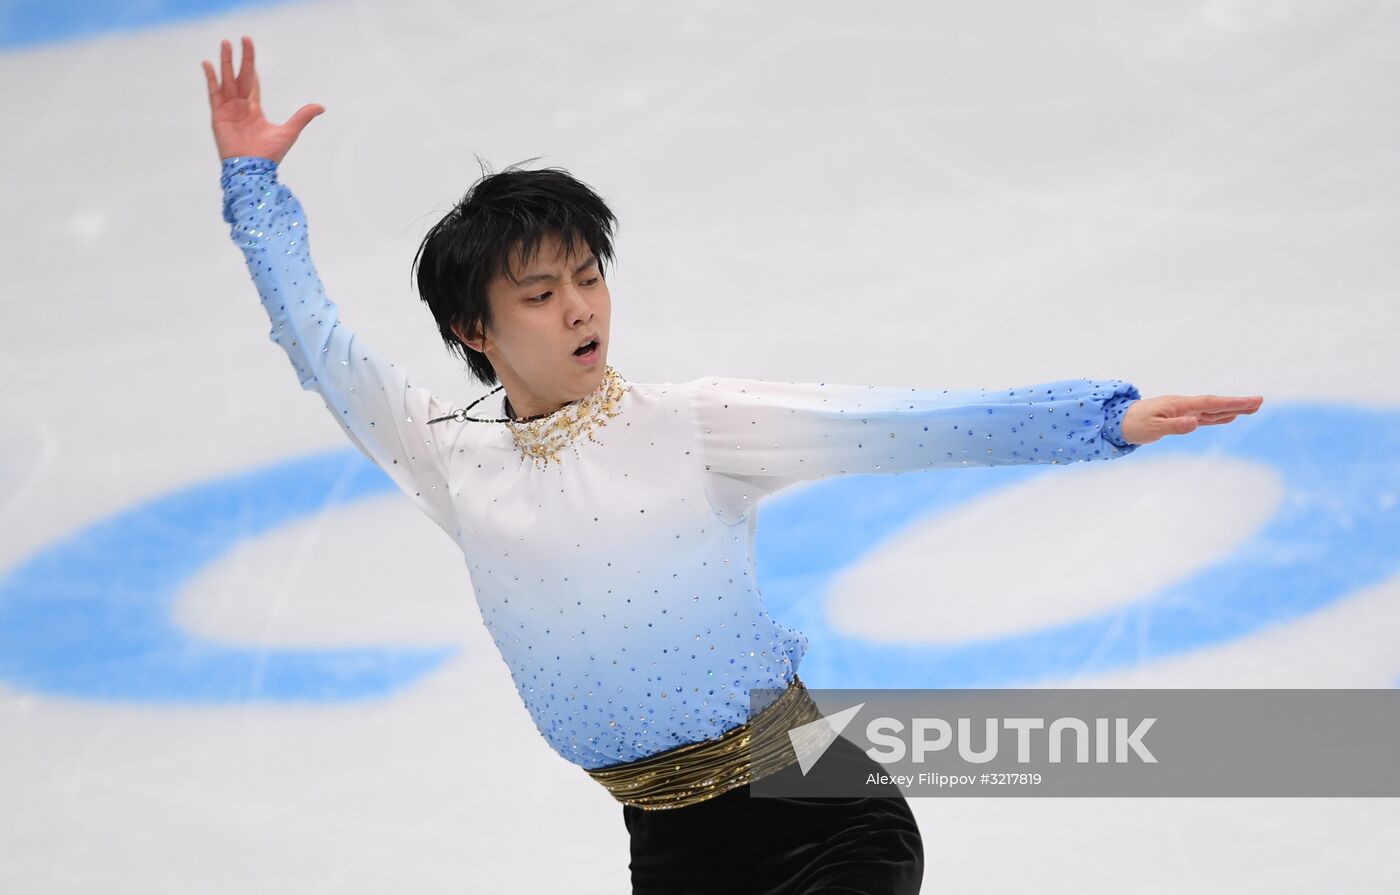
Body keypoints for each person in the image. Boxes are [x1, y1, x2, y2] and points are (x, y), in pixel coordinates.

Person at [203, 36, 1263, 895]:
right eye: (539, 293)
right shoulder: (450, 457)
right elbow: (316, 345)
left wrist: (1097, 419)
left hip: (821, 807)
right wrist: (252, 183)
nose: (579, 307)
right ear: (470, 327)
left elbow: (903, 427)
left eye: (586, 276)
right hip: (669, 853)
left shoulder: (693, 424)